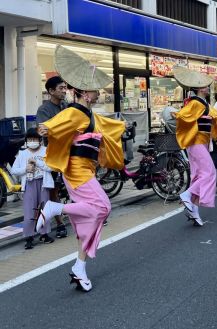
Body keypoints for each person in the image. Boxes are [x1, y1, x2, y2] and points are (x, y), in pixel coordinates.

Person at [37, 45, 126, 292]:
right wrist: (47, 128)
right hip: (77, 171)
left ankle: (80, 267)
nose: (98, 94)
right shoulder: (76, 112)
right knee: (103, 207)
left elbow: (105, 125)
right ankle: (55, 208)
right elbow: (55, 124)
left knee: (88, 219)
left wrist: (121, 125)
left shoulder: (89, 114)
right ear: (85, 93)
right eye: (95, 91)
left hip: (85, 170)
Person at [174, 67, 217, 227]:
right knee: (209, 173)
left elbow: (216, 116)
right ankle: (187, 195)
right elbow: (183, 114)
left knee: (198, 176)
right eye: (205, 85)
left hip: (201, 142)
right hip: (196, 142)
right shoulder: (196, 103)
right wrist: (177, 114)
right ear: (200, 88)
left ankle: (194, 212)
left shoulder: (202, 103)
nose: (208, 87)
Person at [11, 128, 55, 249]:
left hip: (43, 183)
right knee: (29, 211)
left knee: (44, 209)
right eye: (30, 139)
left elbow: (51, 167)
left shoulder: (46, 151)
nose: (32, 141)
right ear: (26, 141)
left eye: (35, 139)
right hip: (29, 184)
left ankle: (44, 234)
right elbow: (14, 170)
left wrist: (37, 163)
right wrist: (26, 169)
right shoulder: (22, 153)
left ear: (40, 140)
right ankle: (29, 236)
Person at [36, 76, 68, 239]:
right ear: (51, 91)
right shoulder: (44, 110)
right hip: (53, 154)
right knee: (53, 189)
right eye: (61, 88)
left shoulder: (66, 106)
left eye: (65, 88)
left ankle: (83, 215)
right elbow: (43, 131)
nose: (64, 90)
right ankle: (60, 223)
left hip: (69, 151)